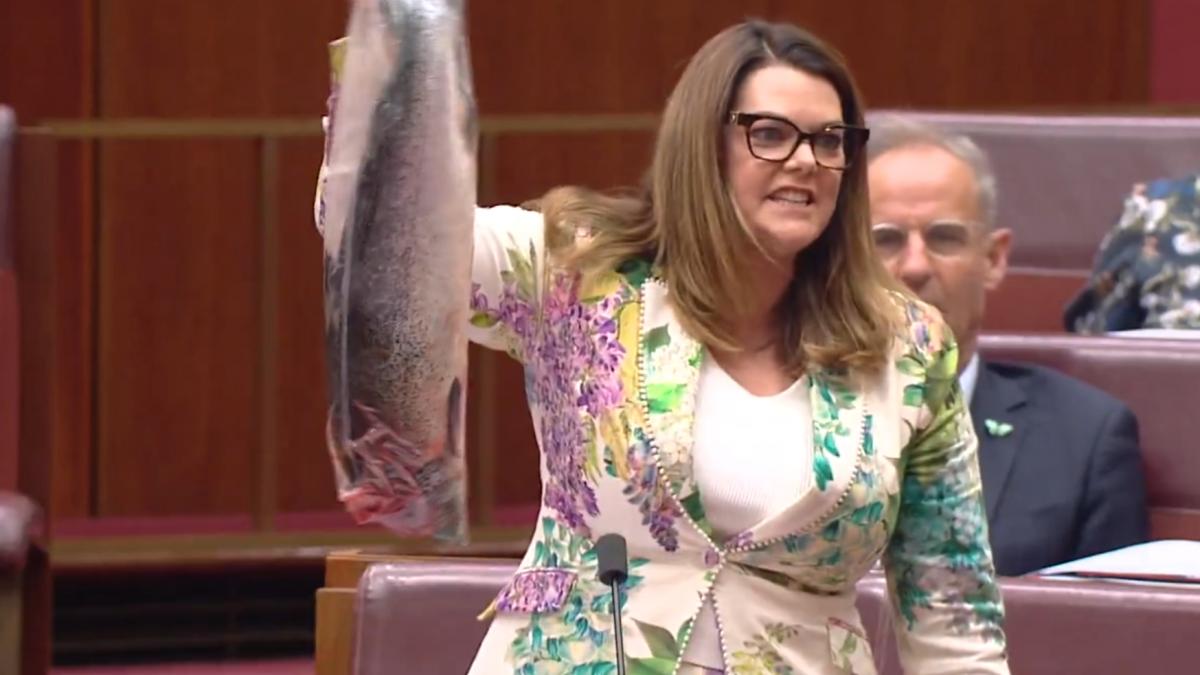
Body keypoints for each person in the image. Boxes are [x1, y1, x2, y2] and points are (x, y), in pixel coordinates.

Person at [319, 20, 1009, 675]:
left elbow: (953, 610)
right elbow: (385, 242)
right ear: (703, 146)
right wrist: (394, 58)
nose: (806, 160)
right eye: (770, 133)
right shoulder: (577, 272)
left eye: (830, 140)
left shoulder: (908, 344)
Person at [867, 115, 1149, 576]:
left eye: (944, 237)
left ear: (994, 259)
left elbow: (1114, 619)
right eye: (885, 240)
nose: (915, 266)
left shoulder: (1085, 438)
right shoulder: (779, 414)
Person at [1065, 173, 1200, 333]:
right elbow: (1093, 319)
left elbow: (1091, 322)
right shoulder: (1156, 208)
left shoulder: (1158, 205)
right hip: (1158, 343)